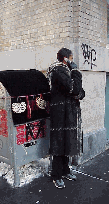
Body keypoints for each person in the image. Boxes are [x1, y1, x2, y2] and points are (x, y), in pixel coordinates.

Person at [46, 48, 85, 189]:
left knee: (67, 142)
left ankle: (65, 171)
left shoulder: (65, 71)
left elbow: (80, 92)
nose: (73, 61)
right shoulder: (58, 70)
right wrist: (75, 72)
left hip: (68, 113)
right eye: (71, 58)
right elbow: (74, 89)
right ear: (65, 59)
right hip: (60, 113)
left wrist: (78, 93)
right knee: (59, 144)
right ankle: (56, 175)